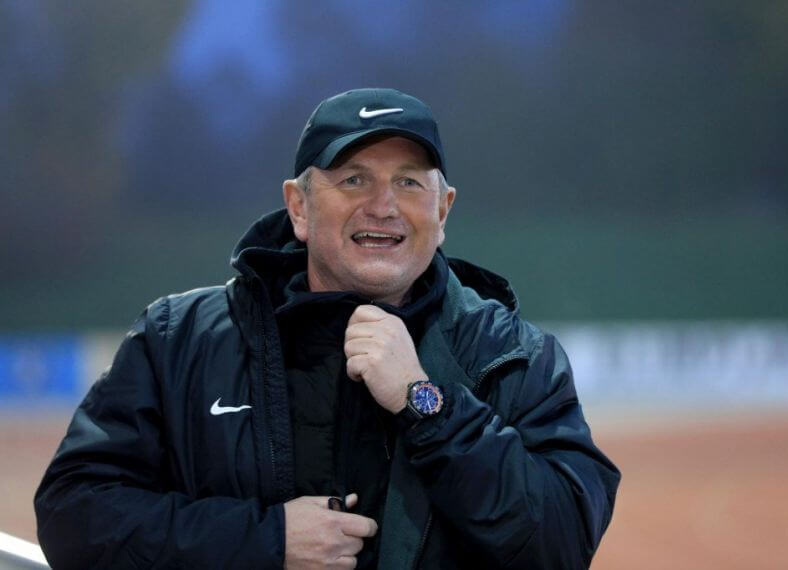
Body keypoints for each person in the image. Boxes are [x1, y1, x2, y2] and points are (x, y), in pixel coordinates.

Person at [35, 88, 620, 569]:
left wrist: (427, 404)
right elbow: (74, 518)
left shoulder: (513, 355)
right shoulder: (177, 338)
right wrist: (266, 541)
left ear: (442, 211)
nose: (383, 206)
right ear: (299, 206)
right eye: (354, 179)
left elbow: (562, 544)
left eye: (409, 182)